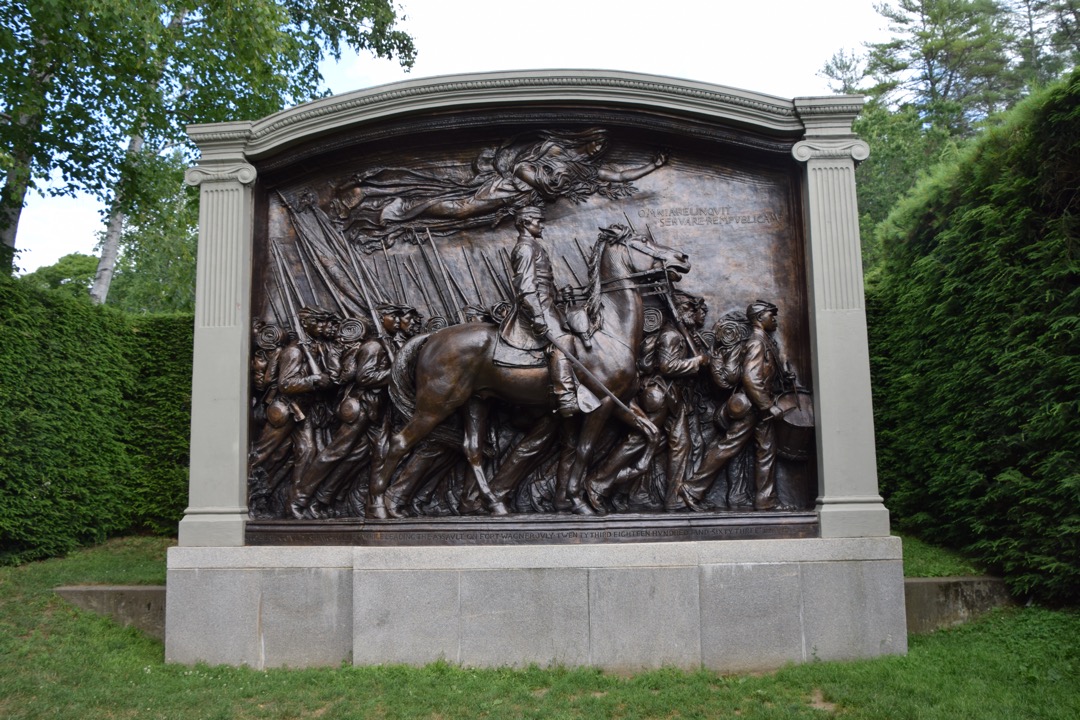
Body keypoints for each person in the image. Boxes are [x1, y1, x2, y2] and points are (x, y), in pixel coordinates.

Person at [682, 300, 795, 511]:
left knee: (765, 451)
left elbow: (764, 373)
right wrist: (767, 406)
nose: (775, 320)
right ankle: (692, 488)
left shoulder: (765, 341)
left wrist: (783, 377)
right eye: (772, 315)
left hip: (760, 407)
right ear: (760, 318)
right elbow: (751, 378)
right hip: (753, 407)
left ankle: (765, 500)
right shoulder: (756, 343)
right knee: (728, 447)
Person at [499, 206, 580, 416]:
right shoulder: (525, 248)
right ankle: (566, 396)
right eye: (538, 221)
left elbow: (543, 281)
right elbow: (526, 287)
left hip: (547, 303)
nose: (541, 225)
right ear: (525, 223)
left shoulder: (534, 246)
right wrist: (537, 315)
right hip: (537, 306)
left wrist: (559, 296)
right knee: (563, 341)